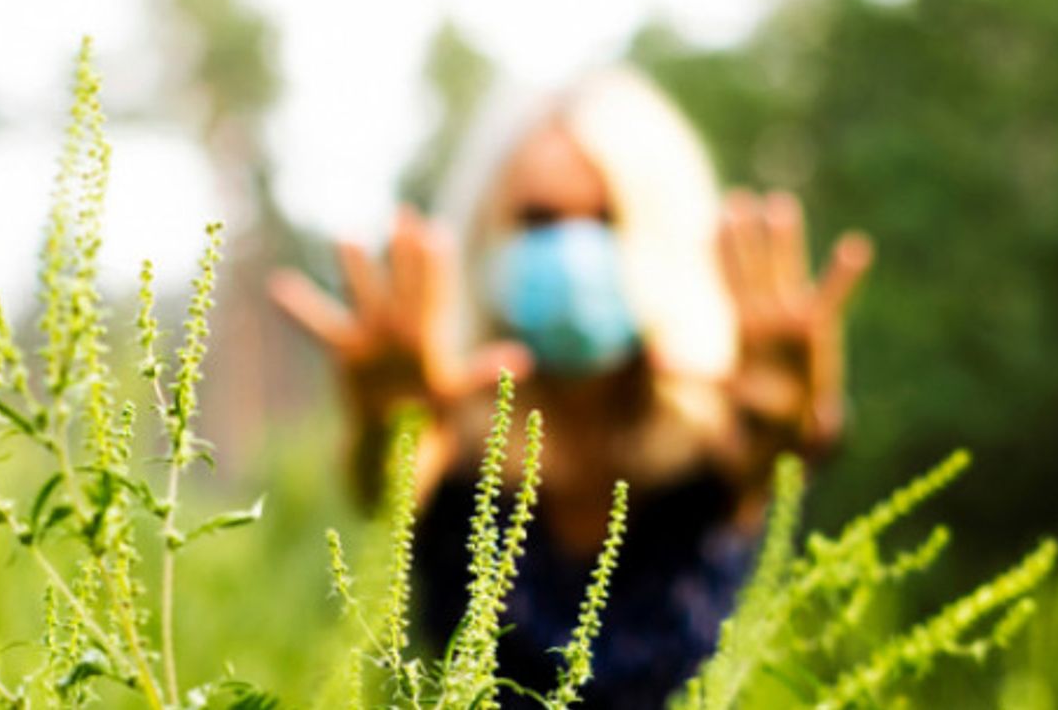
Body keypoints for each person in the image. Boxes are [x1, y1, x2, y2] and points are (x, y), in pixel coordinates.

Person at [268, 67, 873, 707]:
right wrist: (388, 429)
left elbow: (780, 451)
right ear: (487, 233)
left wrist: (791, 423)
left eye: (606, 218)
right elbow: (385, 486)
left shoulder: (718, 443)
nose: (573, 248)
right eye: (539, 218)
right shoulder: (453, 434)